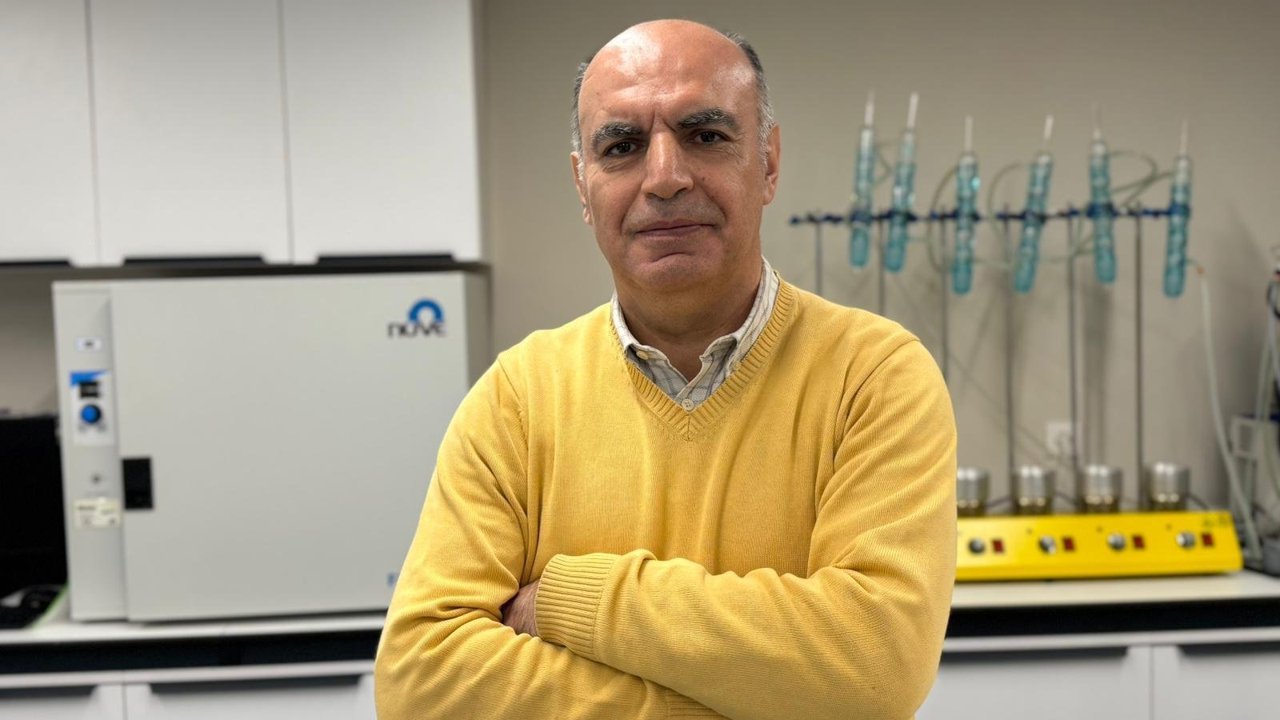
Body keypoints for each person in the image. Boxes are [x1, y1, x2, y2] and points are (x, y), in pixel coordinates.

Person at [375, 19, 956, 720]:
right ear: (583, 185)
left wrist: (568, 599)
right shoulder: (517, 399)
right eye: (621, 147)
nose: (665, 177)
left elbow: (874, 667)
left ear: (768, 163)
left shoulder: (873, 377)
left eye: (704, 135)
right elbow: (421, 685)